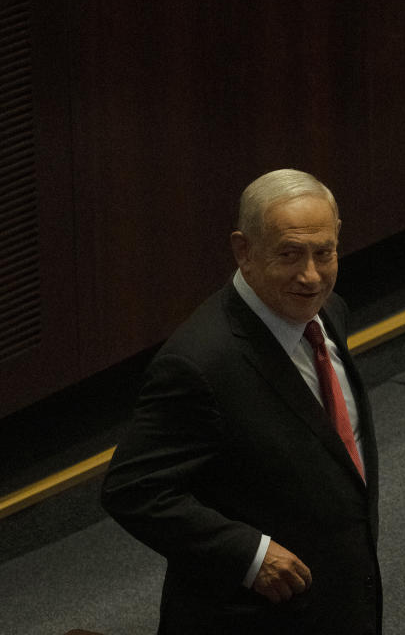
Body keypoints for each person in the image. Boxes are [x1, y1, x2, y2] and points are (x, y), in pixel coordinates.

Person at [101, 169, 380, 634]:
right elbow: (133, 490)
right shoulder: (199, 364)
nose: (311, 276)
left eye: (324, 253)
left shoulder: (328, 313)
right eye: (289, 254)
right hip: (251, 618)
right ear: (244, 251)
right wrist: (249, 555)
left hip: (337, 598)